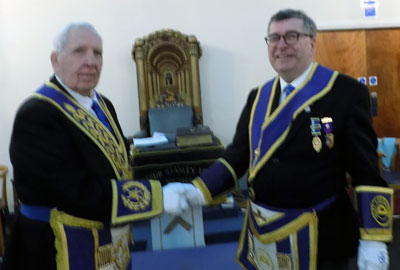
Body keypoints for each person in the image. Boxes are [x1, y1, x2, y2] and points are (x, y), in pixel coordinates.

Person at [163, 9, 394, 270]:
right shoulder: (258, 97)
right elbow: (238, 155)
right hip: (263, 232)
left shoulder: (345, 93)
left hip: (320, 238)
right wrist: (198, 189)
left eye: (291, 36)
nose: (281, 45)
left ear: (312, 43)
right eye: (274, 38)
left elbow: (366, 171)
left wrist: (373, 238)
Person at [4, 22, 165, 270]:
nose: (91, 61)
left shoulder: (103, 104)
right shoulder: (37, 113)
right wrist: (156, 196)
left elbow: (118, 165)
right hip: (54, 246)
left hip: (107, 237)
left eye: (97, 53)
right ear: (55, 59)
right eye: (79, 51)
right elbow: (73, 191)